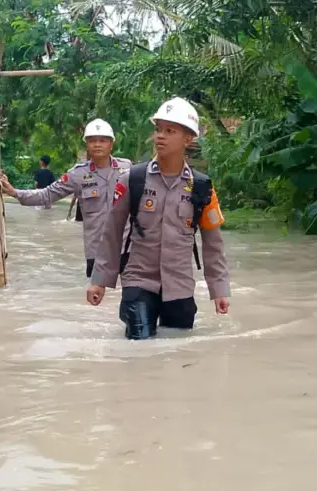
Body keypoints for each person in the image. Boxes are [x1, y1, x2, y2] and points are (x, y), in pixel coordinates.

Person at [86, 98, 231, 340]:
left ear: (188, 138)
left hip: (180, 285)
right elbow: (112, 233)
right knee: (139, 342)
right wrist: (99, 281)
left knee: (178, 346)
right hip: (138, 280)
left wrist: (219, 290)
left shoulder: (202, 187)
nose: (160, 136)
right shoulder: (133, 179)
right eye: (158, 129)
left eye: (170, 131)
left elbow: (213, 244)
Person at [0, 119, 132, 277]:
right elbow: (47, 194)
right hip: (97, 250)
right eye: (92, 140)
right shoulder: (77, 174)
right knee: (97, 290)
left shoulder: (128, 169)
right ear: (87, 144)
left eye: (103, 140)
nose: (97, 145)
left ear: (111, 144)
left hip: (127, 249)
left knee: (128, 289)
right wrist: (15, 192)